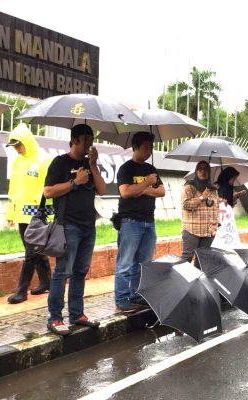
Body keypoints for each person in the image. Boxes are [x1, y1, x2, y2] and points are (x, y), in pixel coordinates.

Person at [43, 124, 107, 336]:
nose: (90, 144)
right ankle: (55, 317)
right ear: (74, 140)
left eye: (92, 140)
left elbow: (102, 189)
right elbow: (48, 191)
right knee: (63, 271)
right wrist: (75, 182)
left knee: (80, 271)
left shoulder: (89, 164)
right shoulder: (60, 162)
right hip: (68, 225)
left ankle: (77, 313)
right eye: (86, 140)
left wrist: (93, 166)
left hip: (89, 225)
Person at [115, 132, 165, 313]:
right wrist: (146, 184)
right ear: (135, 147)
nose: (149, 151)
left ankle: (136, 294)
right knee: (125, 263)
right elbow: (125, 192)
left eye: (151, 148)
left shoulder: (151, 169)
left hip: (148, 221)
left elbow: (161, 191)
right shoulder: (126, 169)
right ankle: (122, 299)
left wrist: (141, 189)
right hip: (130, 221)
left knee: (143, 263)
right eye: (146, 147)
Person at [5, 123, 51, 304]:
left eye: (18, 145)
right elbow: (13, 189)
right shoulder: (17, 162)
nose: (16, 149)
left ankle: (21, 291)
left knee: (31, 253)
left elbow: (50, 188)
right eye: (14, 146)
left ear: (27, 141)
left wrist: (47, 213)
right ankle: (47, 282)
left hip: (38, 214)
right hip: (21, 215)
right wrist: (10, 213)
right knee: (34, 250)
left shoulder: (44, 160)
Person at [181, 161, 220, 265]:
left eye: (206, 169)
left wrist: (216, 223)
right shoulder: (189, 187)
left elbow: (215, 207)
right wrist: (202, 197)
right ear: (196, 171)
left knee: (202, 261)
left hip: (208, 231)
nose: (203, 172)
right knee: (186, 259)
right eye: (200, 169)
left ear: (209, 172)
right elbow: (185, 205)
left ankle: (198, 276)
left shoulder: (213, 189)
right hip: (192, 230)